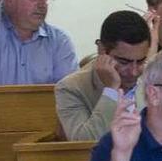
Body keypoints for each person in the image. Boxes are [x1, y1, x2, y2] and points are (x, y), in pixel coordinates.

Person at [55, 11, 151, 141]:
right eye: (124, 62)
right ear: (102, 50)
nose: (133, 72)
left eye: (140, 61)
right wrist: (111, 91)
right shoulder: (71, 88)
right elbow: (83, 144)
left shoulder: (157, 78)